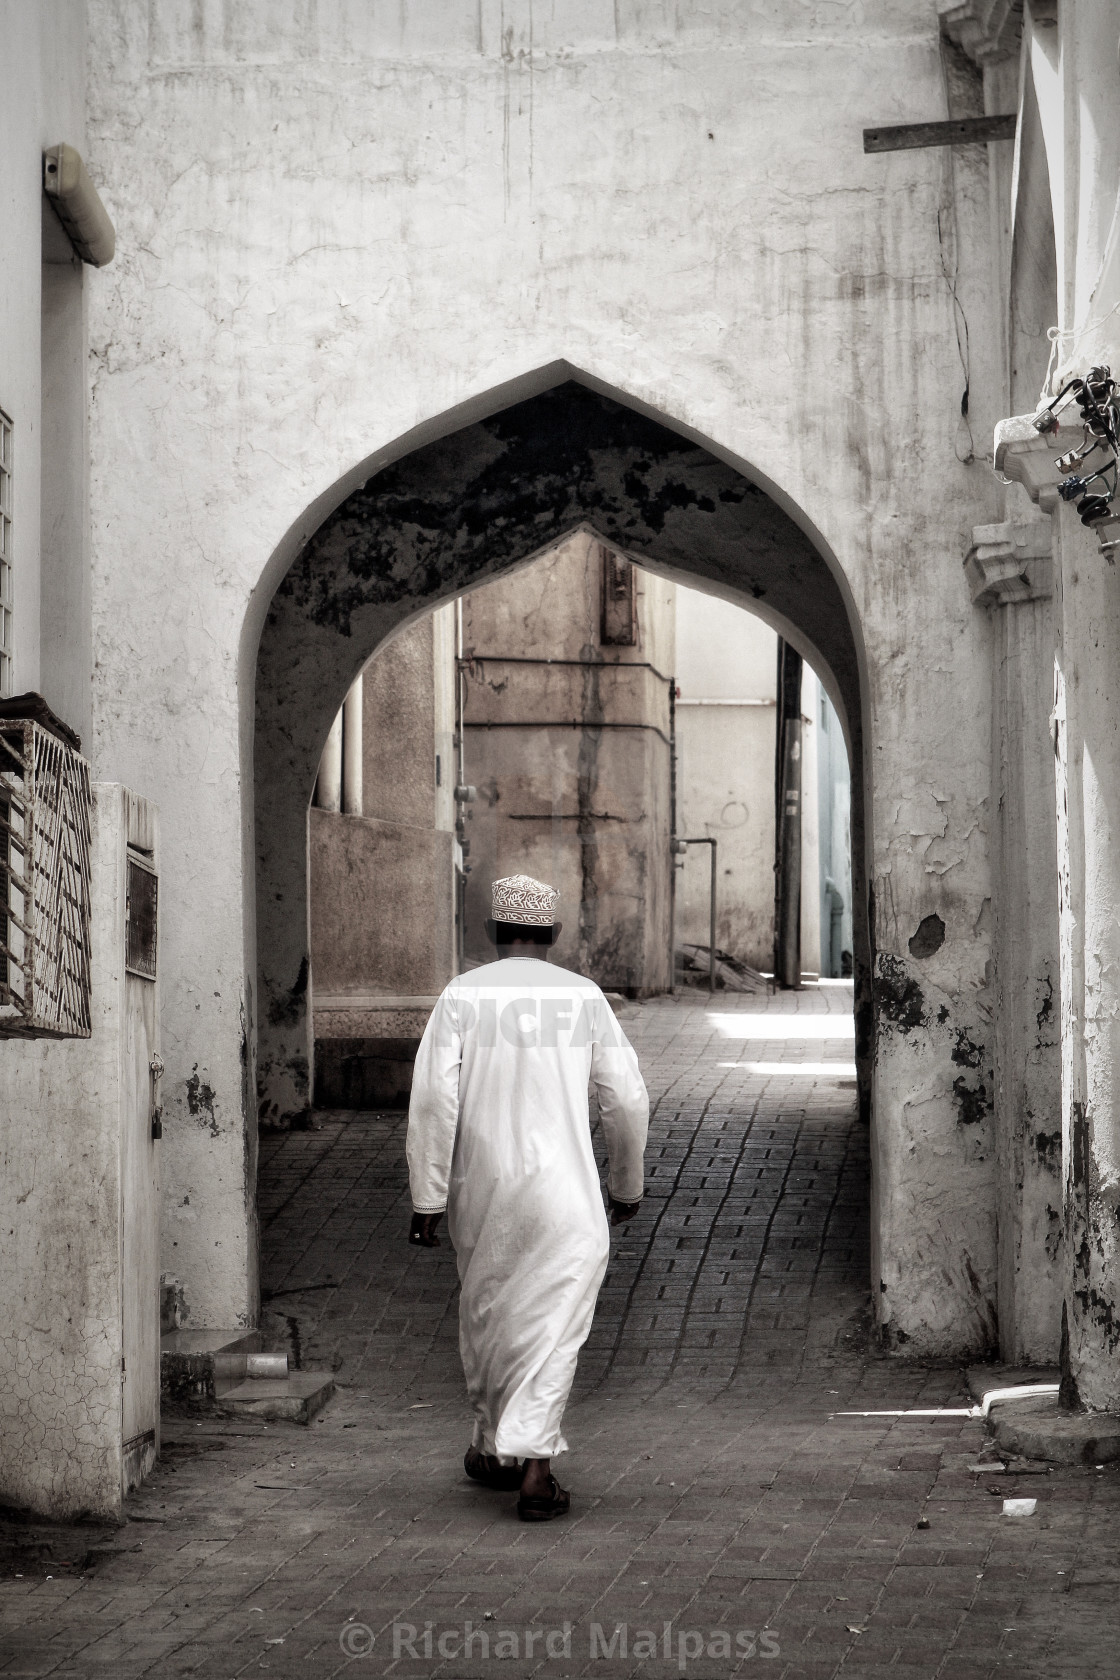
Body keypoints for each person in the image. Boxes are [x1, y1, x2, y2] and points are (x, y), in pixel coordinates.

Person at [406, 873, 649, 1521]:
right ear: (553, 935)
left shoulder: (462, 995)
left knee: (489, 1314)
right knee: (554, 1328)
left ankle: (499, 1447)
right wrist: (626, 1184)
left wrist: (428, 1195)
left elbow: (434, 1098)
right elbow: (624, 1099)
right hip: (566, 1194)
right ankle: (528, 1466)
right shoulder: (584, 997)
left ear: (491, 934)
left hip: (483, 1194)